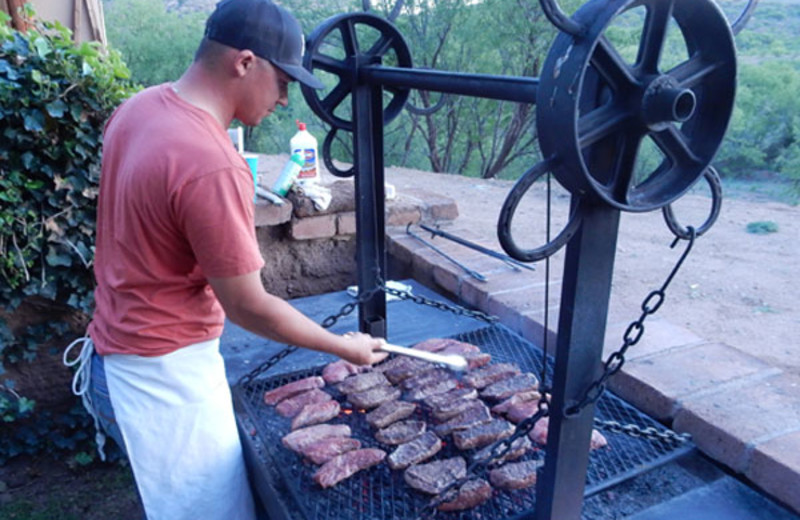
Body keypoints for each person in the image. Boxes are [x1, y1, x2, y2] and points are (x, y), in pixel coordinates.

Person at [63, 1, 388, 519]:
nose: (284, 100)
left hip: (113, 356)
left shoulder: (138, 107)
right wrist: (341, 346)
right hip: (163, 379)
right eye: (282, 81)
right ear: (244, 62)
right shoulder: (212, 163)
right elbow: (248, 307)